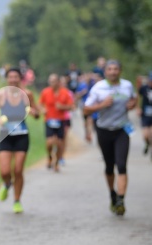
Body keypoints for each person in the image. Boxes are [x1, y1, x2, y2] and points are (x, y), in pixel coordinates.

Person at [84, 60, 137, 216]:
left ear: (120, 71)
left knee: (121, 165)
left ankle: (121, 200)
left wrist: (132, 105)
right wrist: (102, 105)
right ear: (105, 71)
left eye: (116, 69)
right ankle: (112, 194)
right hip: (104, 130)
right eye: (110, 69)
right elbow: (86, 110)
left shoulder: (127, 85)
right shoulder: (98, 88)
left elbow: (134, 98)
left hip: (122, 130)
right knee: (109, 166)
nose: (113, 72)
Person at [0, 68, 39, 213]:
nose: (13, 80)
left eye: (15, 77)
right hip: (5, 135)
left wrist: (34, 113)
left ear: (20, 78)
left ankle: (17, 201)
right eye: (10, 77)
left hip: (22, 135)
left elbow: (37, 113)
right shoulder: (0, 95)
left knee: (18, 170)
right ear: (7, 79)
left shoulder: (27, 94)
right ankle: (6, 184)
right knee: (5, 171)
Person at [37, 74, 74, 172]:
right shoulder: (45, 92)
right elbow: (39, 105)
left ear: (58, 82)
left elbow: (72, 106)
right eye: (50, 81)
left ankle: (56, 163)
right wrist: (43, 110)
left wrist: (63, 107)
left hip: (61, 120)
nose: (52, 83)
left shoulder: (65, 92)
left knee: (59, 144)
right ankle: (49, 156)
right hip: (49, 120)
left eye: (54, 81)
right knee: (49, 142)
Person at [58, 75, 75, 166]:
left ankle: (61, 157)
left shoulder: (69, 93)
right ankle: (56, 155)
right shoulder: (53, 92)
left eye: (64, 83)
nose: (63, 84)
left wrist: (63, 107)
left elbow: (73, 107)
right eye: (61, 83)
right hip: (53, 119)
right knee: (55, 140)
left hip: (66, 118)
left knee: (63, 138)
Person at [137, 71, 152, 157]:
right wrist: (138, 108)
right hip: (145, 114)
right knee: (146, 135)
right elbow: (138, 96)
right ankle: (147, 144)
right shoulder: (144, 88)